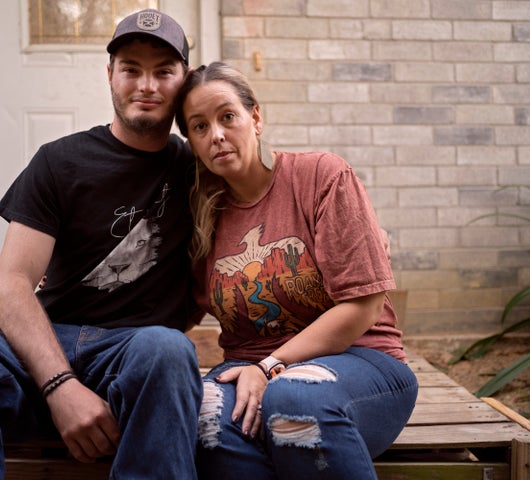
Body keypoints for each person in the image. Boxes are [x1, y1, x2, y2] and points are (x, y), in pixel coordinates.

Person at [0, 9, 202, 479]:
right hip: (47, 341)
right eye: (131, 69)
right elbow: (11, 283)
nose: (147, 86)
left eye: (163, 72)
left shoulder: (200, 170)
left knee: (168, 349)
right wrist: (60, 386)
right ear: (110, 75)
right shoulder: (60, 161)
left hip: (136, 355)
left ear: (185, 80)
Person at [174, 62, 419, 479]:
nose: (216, 135)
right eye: (199, 127)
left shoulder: (320, 176)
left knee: (292, 398)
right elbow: (168, 311)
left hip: (359, 362)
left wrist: (270, 366)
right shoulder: (199, 217)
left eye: (227, 117)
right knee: (204, 414)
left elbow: (364, 304)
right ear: (192, 143)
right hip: (248, 371)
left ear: (255, 117)